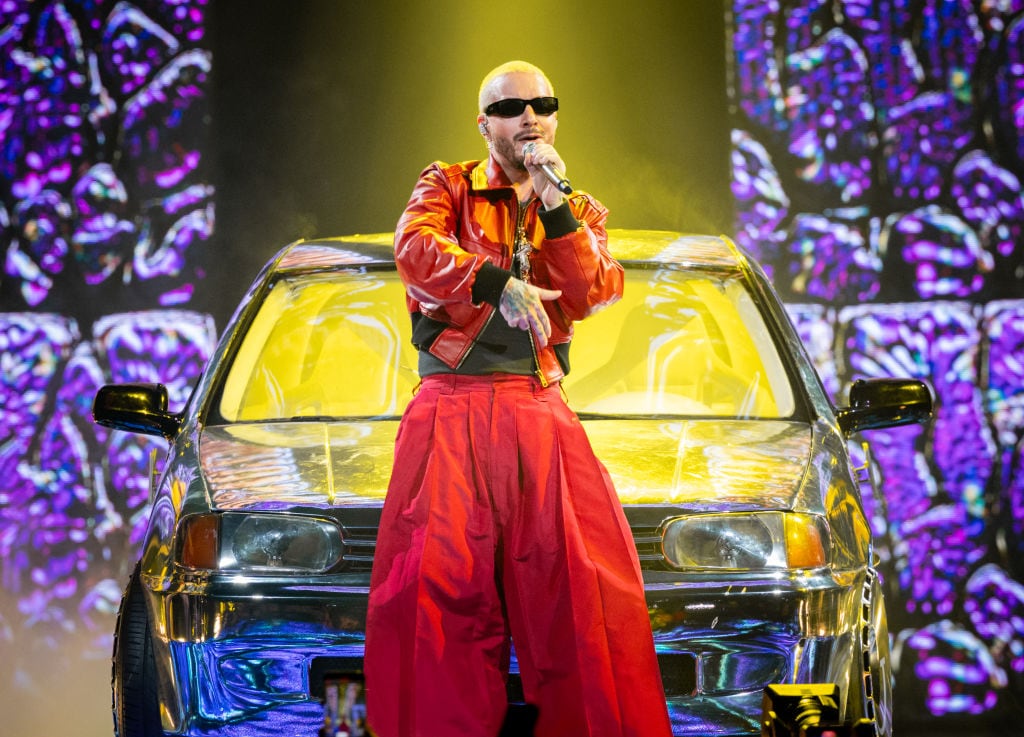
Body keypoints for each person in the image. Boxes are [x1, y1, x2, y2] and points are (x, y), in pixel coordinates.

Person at [364, 60, 672, 737]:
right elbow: (414, 249)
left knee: (580, 605)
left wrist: (552, 197)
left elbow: (589, 290)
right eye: (509, 108)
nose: (527, 116)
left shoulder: (578, 207)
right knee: (437, 608)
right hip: (449, 408)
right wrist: (494, 280)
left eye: (541, 103)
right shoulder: (447, 184)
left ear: (556, 117)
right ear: (485, 125)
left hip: (538, 410)